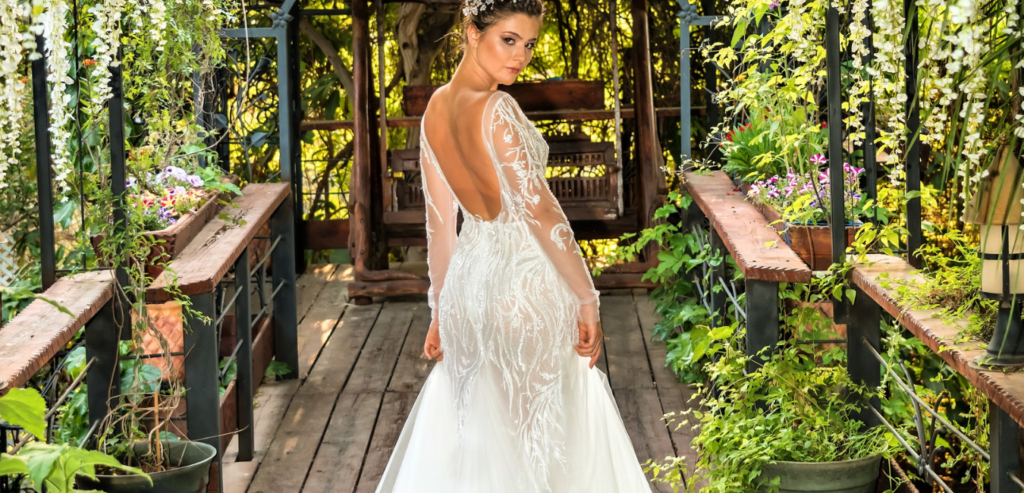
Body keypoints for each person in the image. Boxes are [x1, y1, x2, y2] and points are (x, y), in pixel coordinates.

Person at [374, 1, 653, 491]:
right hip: (522, 288)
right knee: (537, 450)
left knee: (479, 441)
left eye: (528, 44)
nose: (520, 56)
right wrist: (587, 298)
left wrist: (439, 309)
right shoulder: (496, 108)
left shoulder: (435, 109)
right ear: (471, 32)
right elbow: (540, 210)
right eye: (508, 39)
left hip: (468, 289)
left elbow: (441, 226)